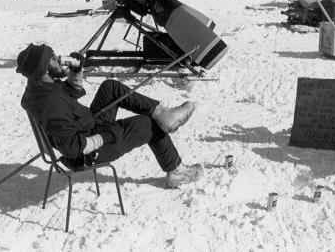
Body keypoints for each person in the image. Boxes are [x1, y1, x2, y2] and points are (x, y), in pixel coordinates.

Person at [16, 43, 203, 188]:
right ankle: (175, 170)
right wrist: (107, 136)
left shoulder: (40, 88)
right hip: (89, 152)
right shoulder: (52, 104)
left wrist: (76, 69)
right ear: (43, 69)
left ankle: (162, 113)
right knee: (149, 124)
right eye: (52, 58)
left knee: (110, 87)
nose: (58, 58)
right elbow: (72, 148)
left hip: (86, 128)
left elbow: (69, 94)